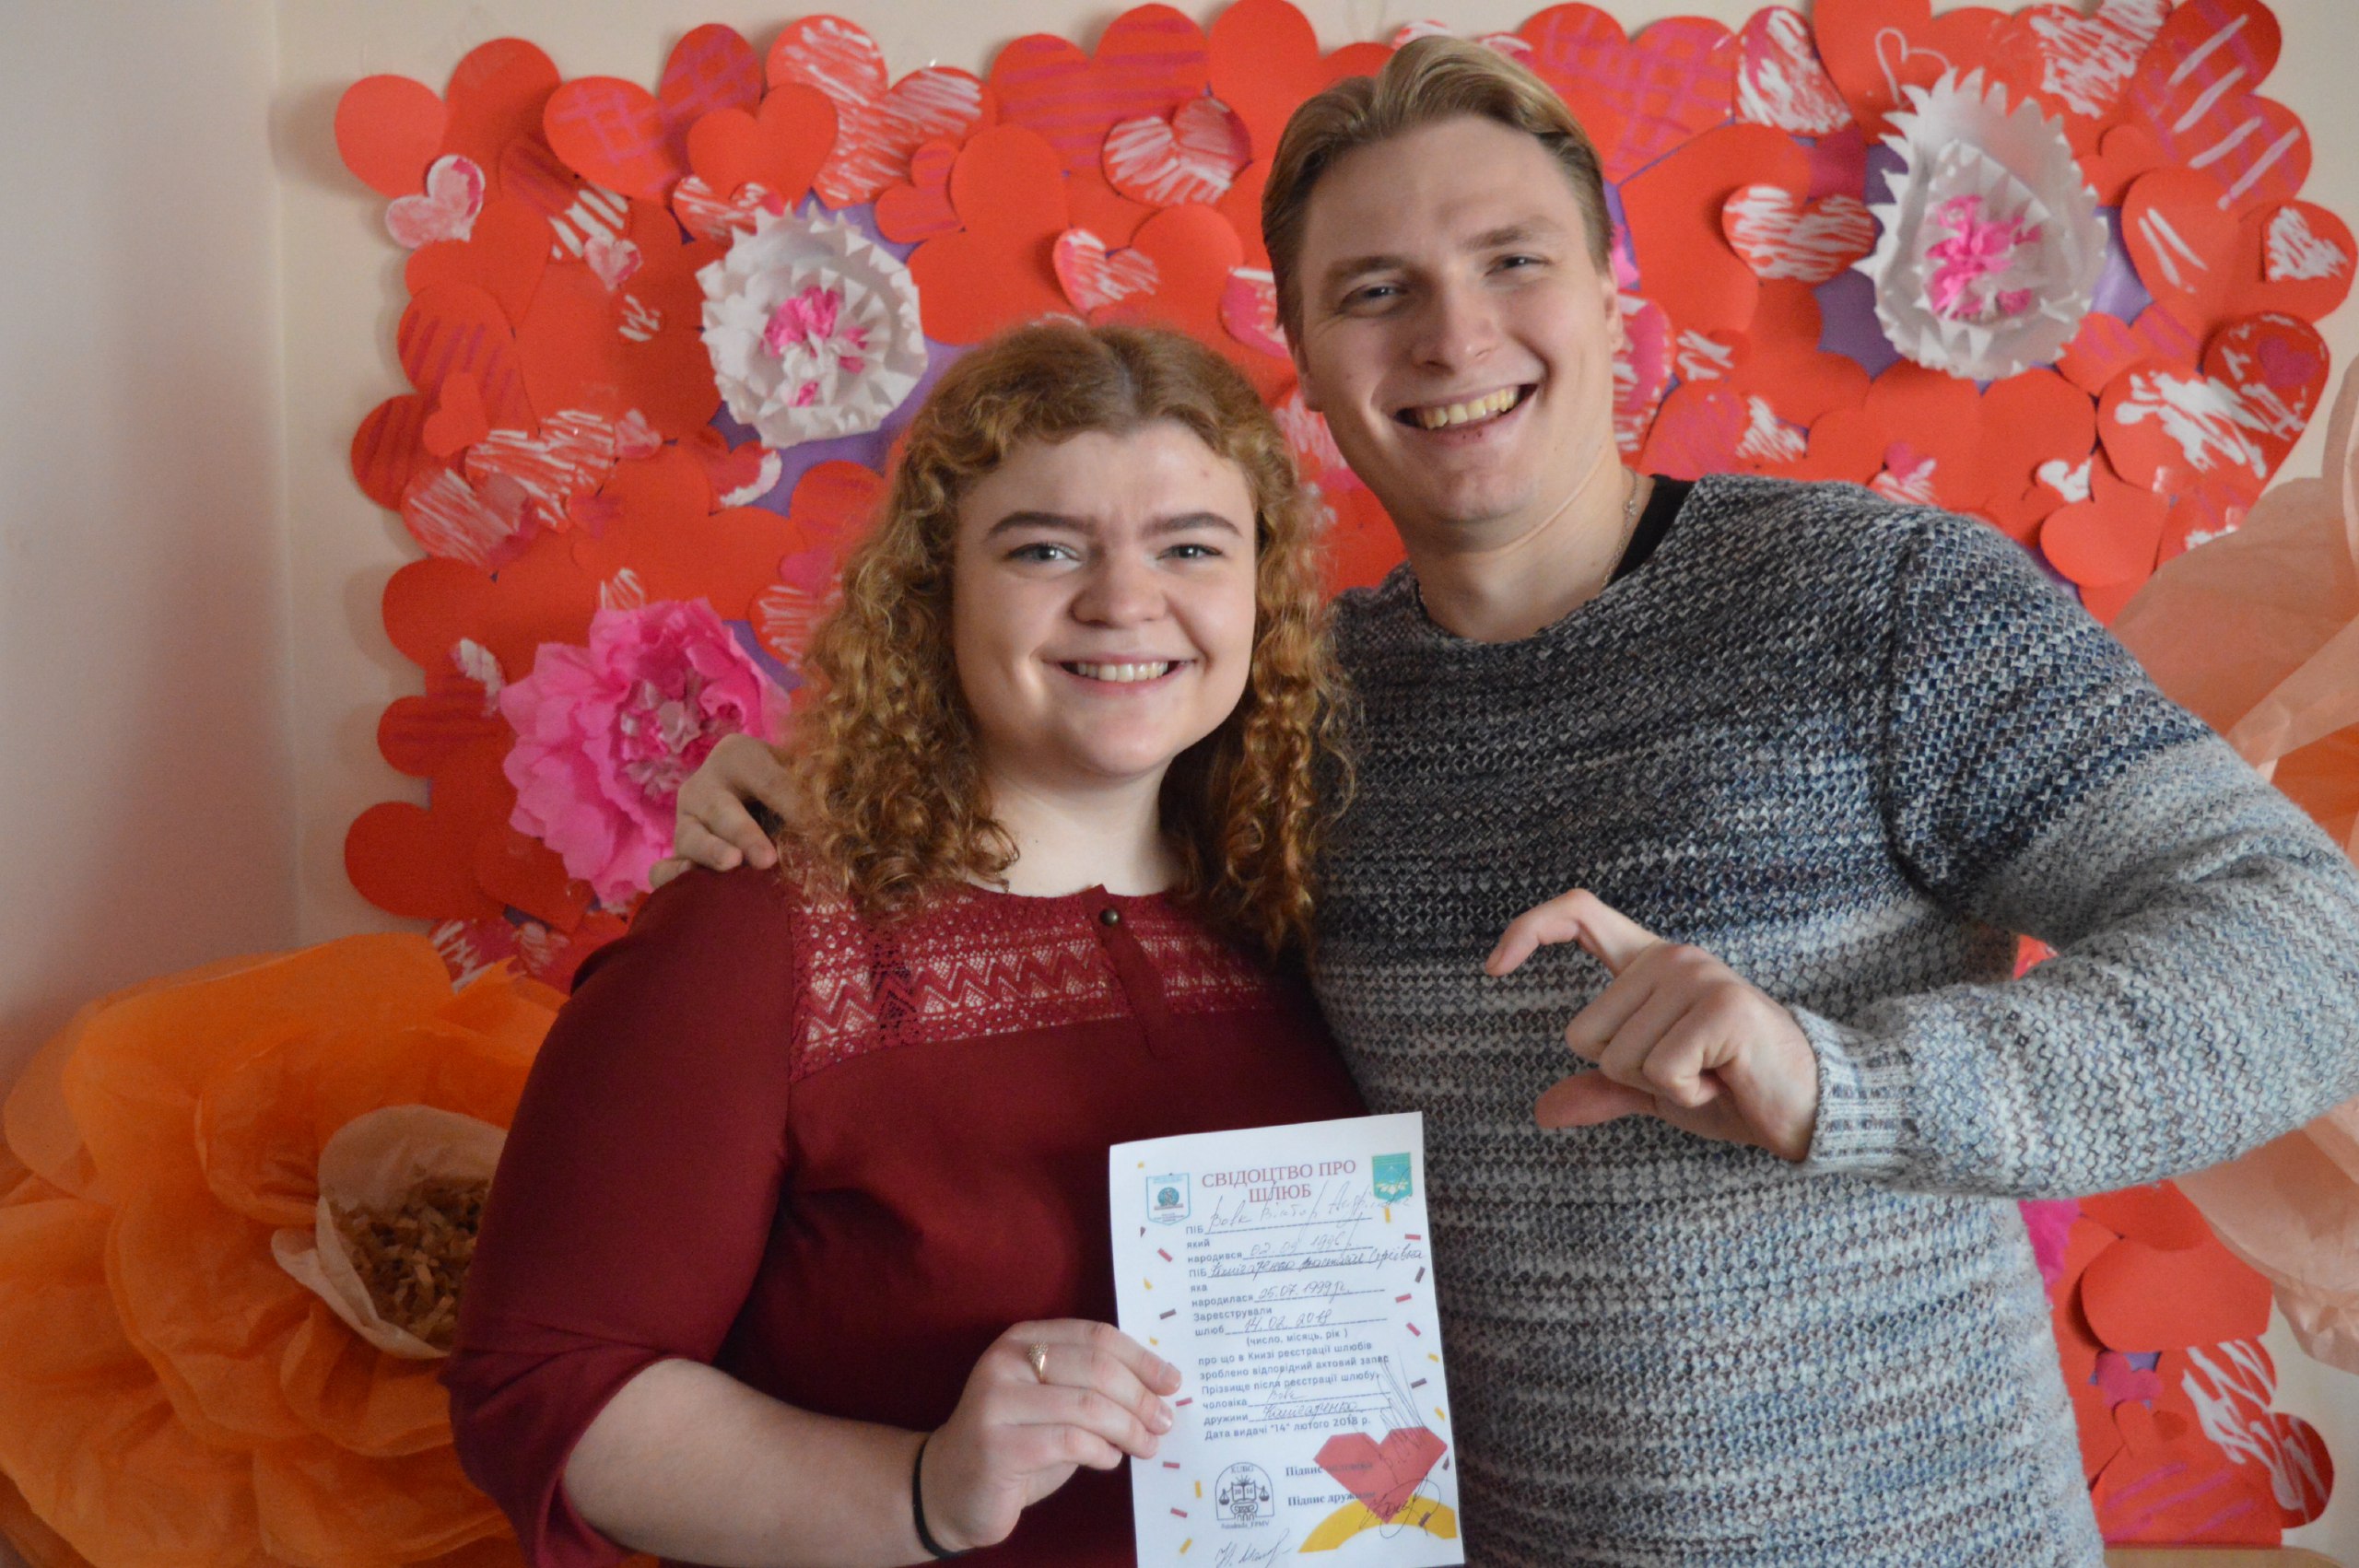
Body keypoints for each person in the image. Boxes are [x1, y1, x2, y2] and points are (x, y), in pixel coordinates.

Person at [670, 37, 2359, 1568]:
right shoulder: (1282, 705)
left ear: (1614, 295)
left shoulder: (1882, 601)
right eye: (1376, 290)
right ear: (1305, 358)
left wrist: (1838, 1079)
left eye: (1513, 261)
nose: (1455, 335)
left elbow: (2314, 954)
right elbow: (1048, 815)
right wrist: (809, 800)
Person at [444, 322, 1367, 1568]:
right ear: (936, 592)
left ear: (1261, 591)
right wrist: (922, 1487)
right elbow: (545, 1384)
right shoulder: (754, 928)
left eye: (1191, 547)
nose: (1124, 602)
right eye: (1045, 548)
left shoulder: (1313, 912)